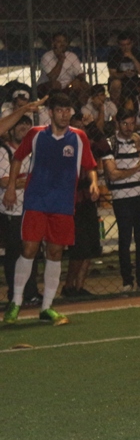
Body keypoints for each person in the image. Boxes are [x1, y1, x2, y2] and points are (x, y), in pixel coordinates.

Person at [2, 94, 98, 325]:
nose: (65, 114)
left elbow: (90, 165)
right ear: (50, 112)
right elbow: (17, 158)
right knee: (29, 249)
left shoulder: (79, 137)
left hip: (63, 204)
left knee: (55, 253)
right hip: (36, 201)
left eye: (68, 110)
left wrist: (94, 182)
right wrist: (11, 187)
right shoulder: (35, 134)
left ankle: (47, 307)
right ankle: (16, 301)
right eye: (60, 110)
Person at [102, 108, 140, 292]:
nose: (129, 127)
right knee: (124, 240)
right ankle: (127, 281)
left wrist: (139, 150)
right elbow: (113, 174)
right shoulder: (110, 143)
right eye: (125, 123)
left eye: (132, 123)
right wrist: (136, 169)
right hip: (121, 197)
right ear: (118, 124)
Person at [0, 115, 41, 308]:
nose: (24, 128)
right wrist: (28, 181)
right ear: (10, 130)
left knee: (32, 251)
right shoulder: (5, 151)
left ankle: (31, 292)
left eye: (27, 125)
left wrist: (21, 181)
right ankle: (15, 294)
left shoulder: (32, 152)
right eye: (19, 125)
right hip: (12, 211)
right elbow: (4, 181)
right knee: (14, 254)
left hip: (31, 207)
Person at [62, 114, 104, 298]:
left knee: (91, 248)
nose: (79, 131)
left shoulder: (88, 147)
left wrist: (92, 125)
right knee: (79, 249)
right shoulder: (63, 148)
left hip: (88, 201)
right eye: (76, 127)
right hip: (72, 203)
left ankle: (79, 287)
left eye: (82, 128)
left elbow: (104, 148)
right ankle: (68, 285)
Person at [39, 33, 85, 99]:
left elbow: (80, 74)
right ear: (53, 44)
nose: (62, 44)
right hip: (48, 86)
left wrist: (77, 80)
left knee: (84, 85)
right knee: (55, 84)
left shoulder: (72, 56)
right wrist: (61, 60)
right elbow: (52, 77)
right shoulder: (47, 57)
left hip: (68, 85)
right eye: (59, 42)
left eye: (64, 41)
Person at [106, 32, 140, 101]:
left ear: (132, 43)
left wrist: (133, 58)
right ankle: (115, 106)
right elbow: (112, 75)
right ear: (119, 45)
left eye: (128, 44)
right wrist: (124, 74)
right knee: (116, 83)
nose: (125, 47)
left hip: (134, 80)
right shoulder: (113, 55)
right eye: (123, 45)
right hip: (120, 80)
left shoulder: (138, 54)